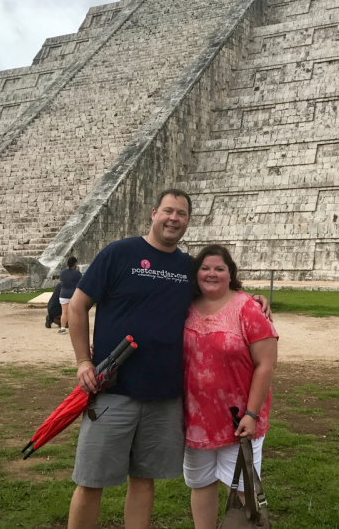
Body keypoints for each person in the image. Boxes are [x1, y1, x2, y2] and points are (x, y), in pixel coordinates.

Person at [63, 189, 270, 529]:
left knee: (144, 480)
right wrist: (84, 361)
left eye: (182, 214)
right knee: (91, 480)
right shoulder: (119, 253)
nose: (174, 218)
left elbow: (222, 291)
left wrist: (256, 300)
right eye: (168, 211)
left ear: (188, 221)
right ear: (154, 213)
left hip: (165, 396)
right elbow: (77, 305)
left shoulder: (187, 268)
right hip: (113, 389)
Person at [182, 245, 277, 529]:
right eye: (205, 268)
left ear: (230, 274)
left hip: (238, 419)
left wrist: (252, 413)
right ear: (196, 273)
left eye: (219, 269)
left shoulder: (247, 308)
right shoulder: (184, 306)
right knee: (200, 484)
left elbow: (266, 365)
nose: (212, 274)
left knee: (242, 489)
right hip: (195, 419)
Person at [58, 256, 82, 335]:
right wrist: (77, 271)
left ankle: (62, 328)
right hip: (74, 294)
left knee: (64, 312)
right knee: (75, 313)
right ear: (75, 264)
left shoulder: (63, 272)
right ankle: (75, 329)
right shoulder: (77, 273)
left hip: (64, 293)